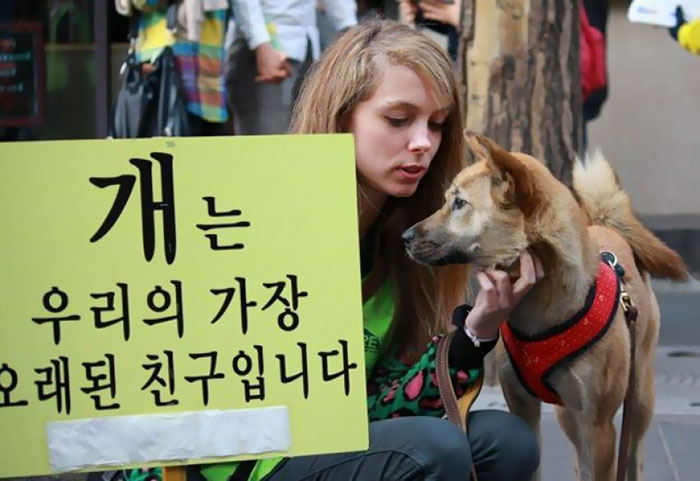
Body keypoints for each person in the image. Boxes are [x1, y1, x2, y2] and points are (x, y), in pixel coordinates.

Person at [244, 19, 540, 480]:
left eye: (437, 124)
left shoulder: (407, 239)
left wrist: (477, 331)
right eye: (398, 120)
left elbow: (390, 402)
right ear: (342, 118)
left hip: (337, 443)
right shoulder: (259, 224)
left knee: (507, 441)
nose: (423, 142)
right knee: (433, 448)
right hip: (244, 464)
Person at [226, 0, 357, 135]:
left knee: (304, 139)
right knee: (268, 144)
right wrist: (261, 44)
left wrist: (352, 33)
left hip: (307, 44)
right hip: (263, 46)